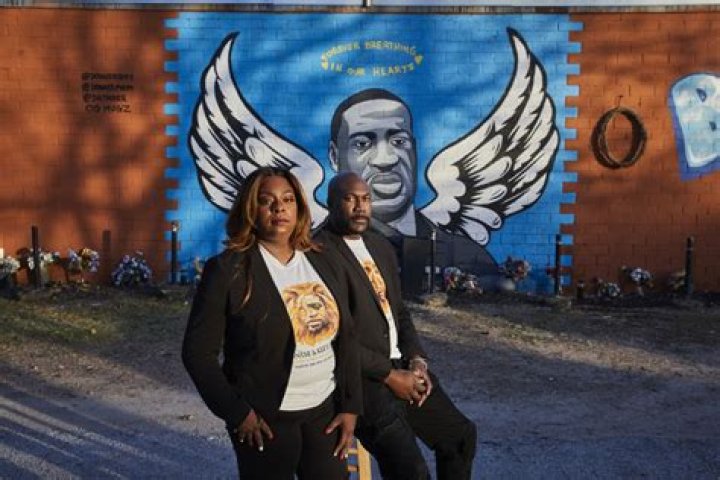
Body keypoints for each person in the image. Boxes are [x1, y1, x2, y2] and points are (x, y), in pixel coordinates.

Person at [182, 167, 361, 479]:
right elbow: (197, 354)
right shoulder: (227, 270)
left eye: (288, 199)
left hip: (324, 411)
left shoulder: (323, 258)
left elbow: (347, 337)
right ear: (250, 209)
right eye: (267, 201)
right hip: (264, 417)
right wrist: (238, 414)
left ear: (299, 208)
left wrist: (350, 405)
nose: (279, 208)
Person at [315, 172, 477, 480]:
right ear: (331, 203)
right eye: (350, 199)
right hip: (361, 381)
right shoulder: (319, 252)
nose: (360, 207)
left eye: (365, 199)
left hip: (401, 366)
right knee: (410, 472)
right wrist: (389, 376)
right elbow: (334, 336)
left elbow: (399, 311)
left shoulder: (379, 246)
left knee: (460, 437)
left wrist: (416, 359)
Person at [328, 88, 497, 276]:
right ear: (334, 157)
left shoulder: (468, 257)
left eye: (399, 142)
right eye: (362, 144)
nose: (385, 160)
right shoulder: (319, 253)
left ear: (414, 150)